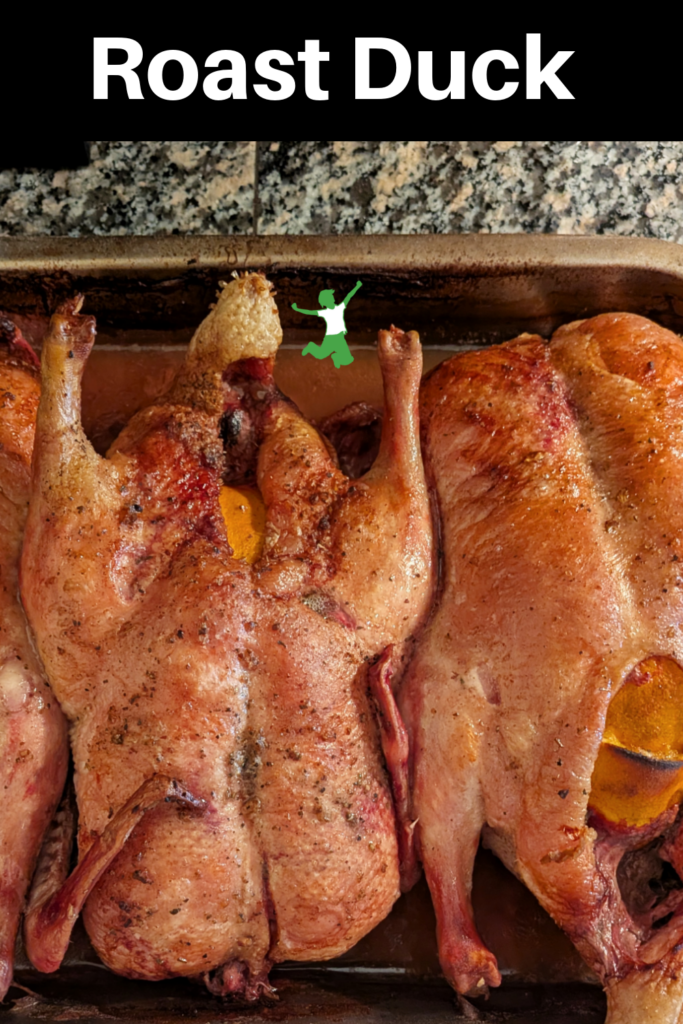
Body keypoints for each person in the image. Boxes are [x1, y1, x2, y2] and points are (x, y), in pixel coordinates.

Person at [292, 280, 362, 368]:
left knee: (348, 359)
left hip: (340, 337)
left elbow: (349, 296)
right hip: (330, 338)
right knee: (321, 355)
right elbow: (310, 312)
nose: (332, 298)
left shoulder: (340, 308)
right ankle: (311, 347)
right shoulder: (325, 312)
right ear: (326, 301)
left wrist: (357, 286)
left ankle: (336, 357)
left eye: (332, 296)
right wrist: (297, 309)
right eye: (330, 297)